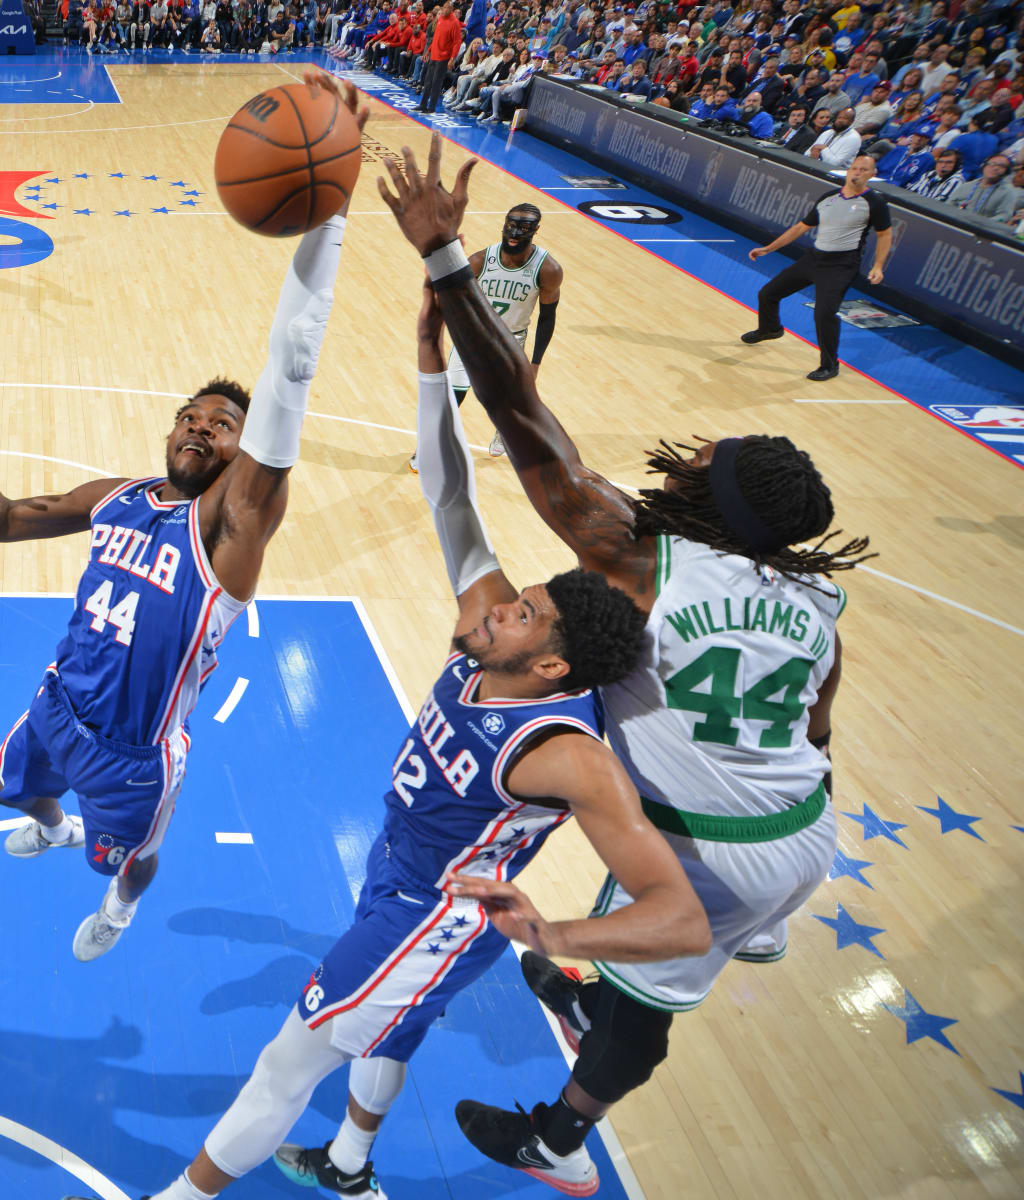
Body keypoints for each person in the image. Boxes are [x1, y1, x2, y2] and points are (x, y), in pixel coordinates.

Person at [66, 270, 712, 1200]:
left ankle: (181, 1195)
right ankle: (355, 1170)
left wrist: (556, 931)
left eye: (522, 617)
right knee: (387, 1033)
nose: (495, 610)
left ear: (554, 669)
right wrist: (427, 362)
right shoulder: (494, 633)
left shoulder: (568, 753)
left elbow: (679, 915)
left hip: (437, 913)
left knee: (286, 1065)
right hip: (396, 869)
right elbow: (452, 496)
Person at [376, 133, 868, 1194]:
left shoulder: (649, 561)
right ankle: (622, 983)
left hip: (715, 851)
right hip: (796, 819)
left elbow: (524, 424)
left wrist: (446, 264)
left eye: (708, 462)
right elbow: (821, 731)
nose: (693, 453)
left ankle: (559, 1139)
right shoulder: (821, 595)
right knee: (653, 933)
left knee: (650, 1008)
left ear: (715, 507)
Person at [0, 68, 359, 962]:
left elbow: (290, 370)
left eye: (222, 427)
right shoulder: (116, 499)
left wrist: (326, 221)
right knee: (6, 795)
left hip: (137, 757)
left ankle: (121, 907)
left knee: (131, 862)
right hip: (59, 702)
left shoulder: (232, 526)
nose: (198, 427)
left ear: (241, 455)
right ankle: (54, 827)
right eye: (190, 415)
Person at [409, 203, 560, 465]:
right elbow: (454, 298)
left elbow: (547, 318)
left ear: (536, 230)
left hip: (512, 339)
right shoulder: (480, 261)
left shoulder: (548, 270)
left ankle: (504, 432)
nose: (514, 232)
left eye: (523, 228)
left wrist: (535, 363)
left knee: (508, 401)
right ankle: (427, 447)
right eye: (510, 225)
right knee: (453, 394)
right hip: (473, 335)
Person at [742, 153, 891, 381]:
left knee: (824, 313)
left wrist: (878, 266)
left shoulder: (874, 203)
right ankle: (770, 329)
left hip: (842, 265)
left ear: (872, 175)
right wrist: (769, 248)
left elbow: (884, 234)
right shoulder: (828, 197)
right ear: (848, 170)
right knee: (768, 293)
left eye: (863, 170)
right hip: (813, 258)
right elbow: (801, 227)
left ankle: (829, 365)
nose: (857, 172)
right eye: (855, 168)